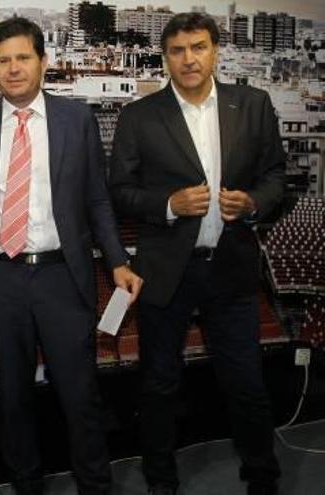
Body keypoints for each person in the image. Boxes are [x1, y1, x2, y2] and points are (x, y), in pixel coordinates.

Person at [0, 17, 143, 495]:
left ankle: (95, 487)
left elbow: (97, 199)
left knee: (81, 398)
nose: (13, 68)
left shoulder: (74, 120)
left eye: (23, 57)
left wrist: (118, 261)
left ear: (44, 61)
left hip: (62, 276)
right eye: (3, 60)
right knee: (12, 400)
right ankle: (26, 486)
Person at [109, 12, 284, 495]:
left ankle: (262, 478)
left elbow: (275, 175)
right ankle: (161, 482)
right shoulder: (138, 116)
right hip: (167, 271)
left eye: (199, 47)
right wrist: (167, 205)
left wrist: (252, 203)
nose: (189, 58)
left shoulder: (252, 104)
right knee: (159, 384)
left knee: (246, 383)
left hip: (231, 269)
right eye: (179, 50)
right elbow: (118, 190)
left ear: (215, 51)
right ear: (165, 57)